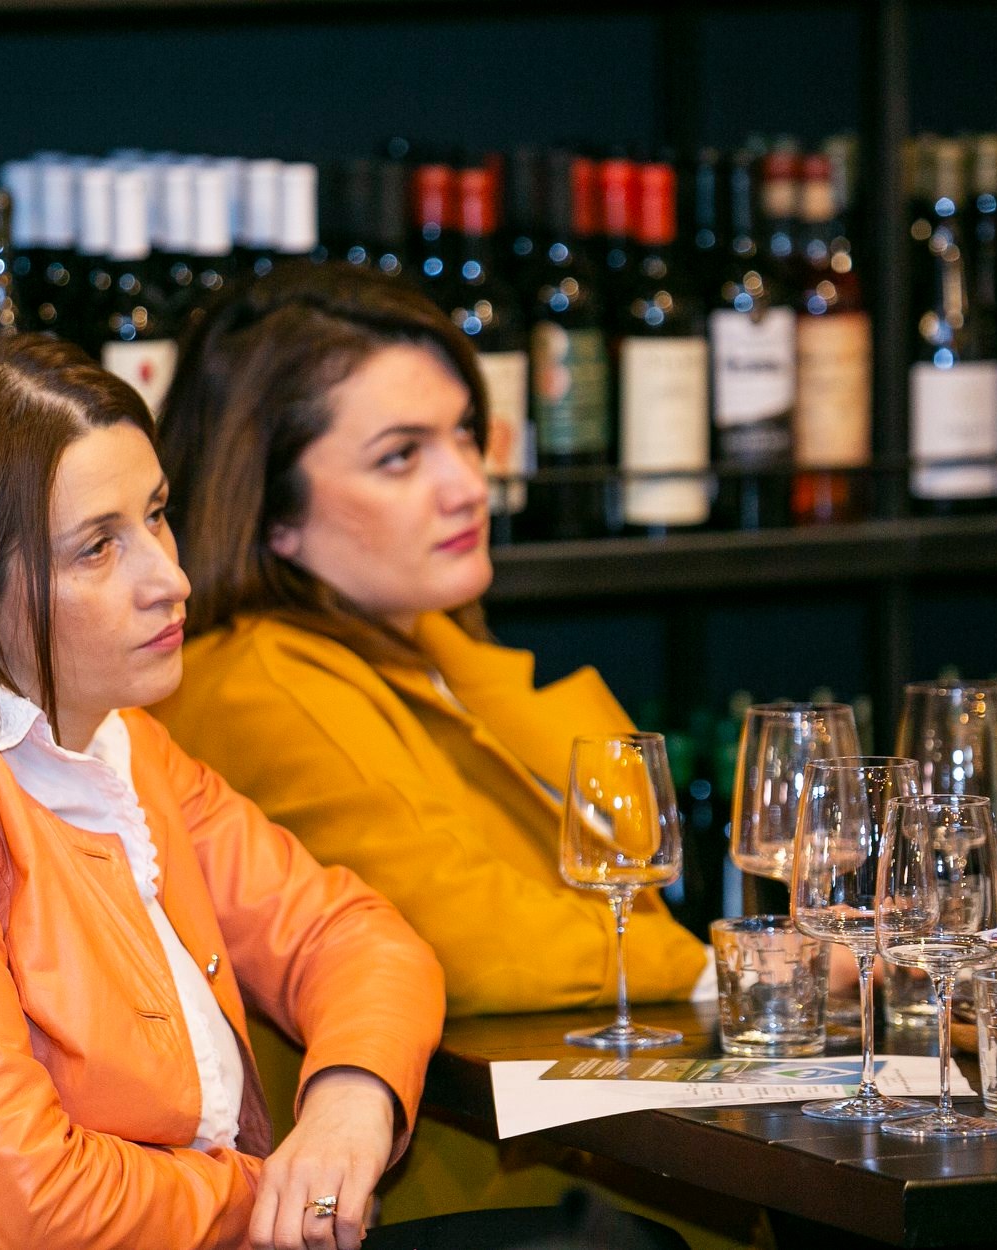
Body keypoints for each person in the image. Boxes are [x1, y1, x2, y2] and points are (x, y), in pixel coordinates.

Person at [0, 332, 457, 1250]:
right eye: (98, 548)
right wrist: (277, 1195)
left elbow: (351, 936)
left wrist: (349, 1103)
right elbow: (28, 1207)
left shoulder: (116, 740)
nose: (170, 578)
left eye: (156, 515)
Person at [150, 264, 709, 1220]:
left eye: (463, 434)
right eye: (400, 457)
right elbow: (465, 944)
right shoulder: (254, 679)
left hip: (585, 1163)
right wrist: (736, 968)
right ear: (274, 516)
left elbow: (631, 845)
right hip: (472, 1203)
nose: (466, 485)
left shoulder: (423, 642)